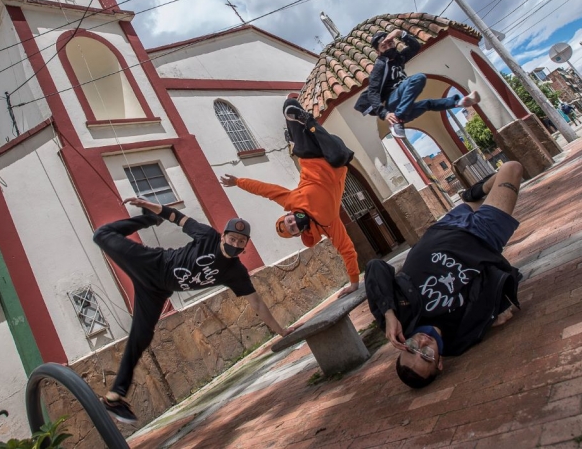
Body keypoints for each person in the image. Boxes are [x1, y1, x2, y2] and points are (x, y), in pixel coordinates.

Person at [93, 198, 296, 423]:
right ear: (223, 236)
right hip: (153, 263)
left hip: (156, 291)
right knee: (101, 235)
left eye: (241, 242)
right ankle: (146, 220)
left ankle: (114, 398)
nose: (235, 244)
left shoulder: (235, 272)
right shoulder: (207, 235)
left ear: (245, 245)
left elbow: (256, 303)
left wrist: (282, 331)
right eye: (232, 238)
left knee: (140, 337)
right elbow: (176, 217)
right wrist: (150, 208)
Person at [365, 162, 523, 389]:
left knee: (476, 198)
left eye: (412, 349)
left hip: (444, 229)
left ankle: (477, 193)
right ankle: (478, 192)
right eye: (427, 356)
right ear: (439, 364)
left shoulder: (397, 320)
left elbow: (375, 267)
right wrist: (496, 312)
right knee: (512, 169)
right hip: (483, 236)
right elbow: (489, 298)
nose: (422, 345)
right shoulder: (461, 339)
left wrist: (388, 314)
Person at [220, 98, 360, 298]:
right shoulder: (328, 225)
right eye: (293, 227)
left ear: (288, 214)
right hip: (334, 155)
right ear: (299, 233)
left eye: (289, 220)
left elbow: (265, 190)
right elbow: (347, 250)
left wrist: (238, 182)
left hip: (310, 154)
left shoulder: (290, 201)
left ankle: (295, 132)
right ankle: (307, 124)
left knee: (289, 105)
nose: (294, 221)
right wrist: (354, 283)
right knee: (340, 157)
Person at [353, 29, 481, 138]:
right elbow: (372, 92)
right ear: (378, 52)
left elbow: (415, 47)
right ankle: (397, 119)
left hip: (401, 112)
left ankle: (459, 102)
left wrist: (400, 33)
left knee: (427, 104)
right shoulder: (380, 65)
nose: (388, 48)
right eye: (383, 46)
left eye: (390, 43)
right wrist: (384, 114)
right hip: (391, 105)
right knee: (419, 78)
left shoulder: (399, 59)